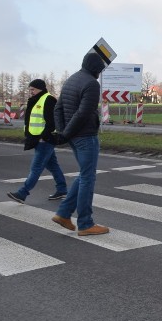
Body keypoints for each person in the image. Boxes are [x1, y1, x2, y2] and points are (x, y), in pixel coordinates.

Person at [51, 52, 109, 236]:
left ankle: (64, 213)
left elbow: (57, 108)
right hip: (86, 136)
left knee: (84, 174)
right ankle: (85, 223)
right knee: (88, 178)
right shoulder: (91, 84)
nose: (99, 74)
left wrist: (63, 133)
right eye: (99, 71)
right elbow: (83, 113)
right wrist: (66, 133)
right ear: (95, 69)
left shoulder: (72, 79)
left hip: (74, 137)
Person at [6, 79, 68, 204]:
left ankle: (22, 193)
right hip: (37, 139)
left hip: (45, 140)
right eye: (30, 89)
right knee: (53, 166)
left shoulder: (48, 99)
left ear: (40, 88)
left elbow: (52, 122)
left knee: (36, 168)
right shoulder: (35, 100)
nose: (31, 92)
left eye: (33, 89)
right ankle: (62, 190)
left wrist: (43, 137)